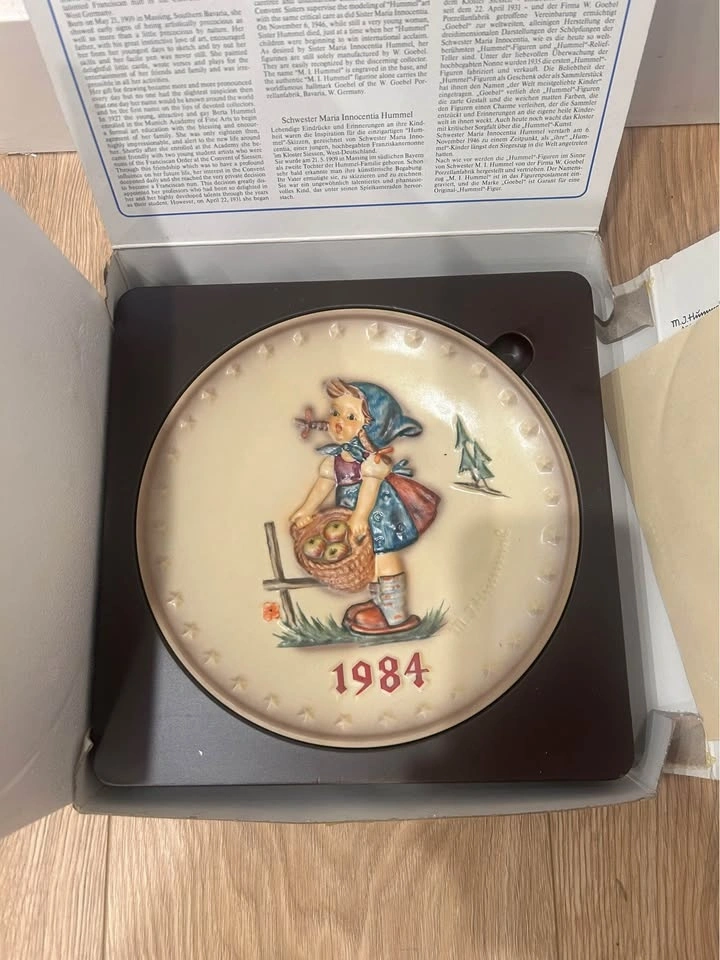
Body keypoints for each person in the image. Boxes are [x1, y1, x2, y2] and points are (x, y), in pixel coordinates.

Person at [290, 378, 440, 636]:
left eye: (350, 417)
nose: (338, 422)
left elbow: (370, 488)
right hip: (355, 518)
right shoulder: (338, 457)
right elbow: (324, 484)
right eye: (335, 412)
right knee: (369, 561)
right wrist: (306, 510)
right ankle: (381, 605)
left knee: (385, 557)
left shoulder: (372, 460)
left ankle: (395, 615)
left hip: (380, 515)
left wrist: (359, 517)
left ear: (372, 426)